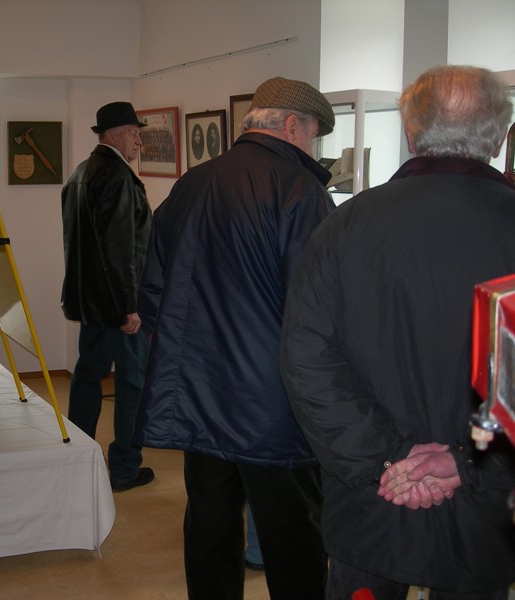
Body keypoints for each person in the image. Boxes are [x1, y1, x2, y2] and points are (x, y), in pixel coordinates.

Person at [280, 65, 515, 599]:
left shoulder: (343, 227)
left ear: (411, 133)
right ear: (500, 137)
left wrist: (386, 460)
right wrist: (466, 462)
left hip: (374, 498)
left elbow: (308, 363)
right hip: (486, 506)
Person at [135, 76, 335, 599]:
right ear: (292, 126)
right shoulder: (300, 191)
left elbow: (152, 289)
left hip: (200, 394)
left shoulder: (192, 183)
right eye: (313, 135)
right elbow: (318, 311)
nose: (313, 148)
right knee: (293, 536)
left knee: (210, 524)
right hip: (273, 403)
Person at [61, 101, 154, 492]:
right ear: (113, 135)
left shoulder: (81, 173)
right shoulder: (117, 177)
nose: (138, 140)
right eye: (133, 132)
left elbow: (79, 246)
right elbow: (120, 249)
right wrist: (128, 307)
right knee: (132, 384)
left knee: (86, 376)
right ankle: (125, 468)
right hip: (117, 306)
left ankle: (79, 461)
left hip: (91, 304)